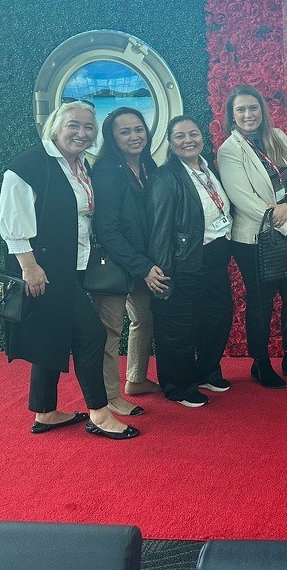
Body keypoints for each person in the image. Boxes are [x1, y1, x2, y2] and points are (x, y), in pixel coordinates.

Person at [0, 101, 139, 440]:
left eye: (89, 127)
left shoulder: (80, 164)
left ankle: (45, 412)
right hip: (44, 270)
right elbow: (11, 222)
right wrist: (30, 267)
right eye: (73, 125)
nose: (82, 133)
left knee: (51, 334)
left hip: (72, 264)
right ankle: (100, 413)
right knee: (91, 334)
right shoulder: (29, 165)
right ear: (55, 127)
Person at [217, 85, 287, 389]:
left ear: (262, 110)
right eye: (241, 109)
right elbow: (245, 201)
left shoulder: (277, 137)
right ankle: (260, 364)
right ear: (232, 115)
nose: (248, 114)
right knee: (262, 302)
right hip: (255, 239)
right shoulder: (229, 150)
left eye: (253, 108)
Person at [147, 115, 235, 407]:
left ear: (202, 137)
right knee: (179, 327)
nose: (188, 140)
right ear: (170, 143)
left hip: (215, 256)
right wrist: (163, 272)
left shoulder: (210, 170)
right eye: (180, 136)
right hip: (182, 261)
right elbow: (160, 227)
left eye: (193, 134)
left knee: (218, 317)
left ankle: (207, 372)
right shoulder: (165, 177)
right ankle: (179, 386)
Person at [89, 107, 168, 417]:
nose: (134, 136)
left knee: (144, 320)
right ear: (112, 137)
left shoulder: (148, 165)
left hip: (142, 262)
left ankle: (135, 379)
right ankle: (109, 397)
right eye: (125, 131)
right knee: (110, 331)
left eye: (139, 129)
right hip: (118, 263)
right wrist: (142, 266)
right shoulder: (106, 171)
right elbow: (107, 229)